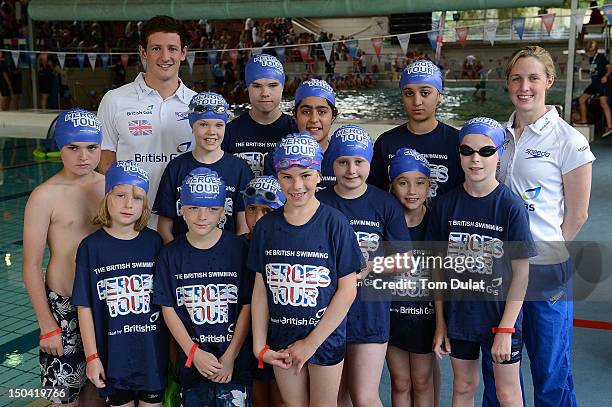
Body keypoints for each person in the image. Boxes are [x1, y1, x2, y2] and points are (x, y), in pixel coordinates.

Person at [495, 45, 595, 407]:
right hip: (500, 267)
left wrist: (544, 252)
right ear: (507, 83)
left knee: (550, 368)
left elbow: (578, 215)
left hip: (545, 269)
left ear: (549, 82)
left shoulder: (568, 140)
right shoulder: (497, 138)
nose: (525, 86)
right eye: (517, 78)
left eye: (534, 78)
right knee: (500, 364)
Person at [248, 132, 362, 407]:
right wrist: (259, 345)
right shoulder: (266, 228)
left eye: (305, 175)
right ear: (277, 177)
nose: (296, 184)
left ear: (319, 175)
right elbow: (261, 290)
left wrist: (311, 343)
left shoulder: (335, 223)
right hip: (282, 341)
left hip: (324, 340)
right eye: (287, 176)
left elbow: (347, 290)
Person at [430, 117, 535, 406]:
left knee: (507, 392)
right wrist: (441, 324)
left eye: (486, 151)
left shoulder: (510, 207)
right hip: (461, 317)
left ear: (499, 154)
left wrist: (506, 329)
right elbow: (437, 270)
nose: (475, 159)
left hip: (500, 318)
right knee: (463, 386)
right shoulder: (446, 205)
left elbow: (522, 276)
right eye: (467, 151)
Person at [317, 125, 411, 407]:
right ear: (332, 163)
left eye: (359, 162)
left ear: (369, 163)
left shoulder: (385, 204)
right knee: (337, 396)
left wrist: (368, 270)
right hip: (327, 311)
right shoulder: (319, 202)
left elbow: (405, 260)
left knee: (364, 395)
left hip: (370, 310)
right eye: (343, 162)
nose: (351, 170)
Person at [22, 108, 106, 407]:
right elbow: (30, 265)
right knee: (64, 399)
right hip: (63, 306)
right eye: (73, 148)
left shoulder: (110, 189)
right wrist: (47, 325)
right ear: (60, 148)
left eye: (91, 148)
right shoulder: (44, 195)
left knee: (99, 392)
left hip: (102, 306)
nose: (83, 156)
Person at [152, 168, 254, 406]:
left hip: (234, 364)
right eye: (193, 208)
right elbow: (167, 308)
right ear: (181, 210)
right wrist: (192, 351)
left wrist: (230, 356)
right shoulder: (170, 254)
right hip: (192, 364)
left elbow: (248, 306)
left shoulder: (239, 250)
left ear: (223, 211)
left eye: (211, 209)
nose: (202, 216)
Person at [72, 161, 167, 407]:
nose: (128, 204)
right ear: (107, 197)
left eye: (137, 198)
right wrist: (92, 357)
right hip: (113, 357)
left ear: (145, 204)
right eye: (121, 195)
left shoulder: (154, 243)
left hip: (152, 357)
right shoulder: (91, 248)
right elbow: (84, 307)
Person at [98, 15, 197, 229]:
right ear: (143, 52)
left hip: (185, 223)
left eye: (172, 49)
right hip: (130, 222)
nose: (165, 57)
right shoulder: (114, 100)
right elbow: (106, 162)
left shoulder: (196, 105)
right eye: (156, 49)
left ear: (183, 53)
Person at [154, 91, 252, 242]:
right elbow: (164, 227)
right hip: (183, 259)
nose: (211, 132)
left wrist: (233, 255)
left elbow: (243, 226)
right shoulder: (176, 168)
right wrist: (176, 256)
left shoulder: (240, 169)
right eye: (203, 124)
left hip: (226, 261)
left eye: (219, 125)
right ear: (192, 126)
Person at [369, 59, 463, 197]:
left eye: (425, 93)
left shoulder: (457, 142)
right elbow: (375, 195)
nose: (417, 102)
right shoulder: (386, 143)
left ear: (439, 96)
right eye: (409, 93)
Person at [387, 148, 437, 407]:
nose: (412, 191)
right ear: (392, 186)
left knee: (421, 381)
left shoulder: (435, 223)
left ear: (429, 185)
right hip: (393, 316)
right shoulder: (386, 222)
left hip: (424, 319)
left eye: (419, 183)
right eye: (403, 183)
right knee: (400, 382)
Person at [241, 176, 286, 407]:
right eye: (251, 209)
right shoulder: (234, 247)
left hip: (282, 340)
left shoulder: (291, 248)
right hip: (247, 343)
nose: (257, 219)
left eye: (267, 211)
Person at [222, 53, 295, 176]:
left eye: (272, 85)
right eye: (257, 86)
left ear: (282, 87)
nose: (265, 93)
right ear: (248, 87)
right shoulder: (229, 133)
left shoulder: (295, 131)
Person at [576, 40, 612, 132]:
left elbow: (609, 67)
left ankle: (609, 126)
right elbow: (596, 70)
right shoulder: (591, 59)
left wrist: (606, 76)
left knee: (603, 103)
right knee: (582, 99)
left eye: (592, 51)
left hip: (601, 83)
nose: (590, 53)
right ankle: (584, 119)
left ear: (595, 51)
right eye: (588, 51)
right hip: (595, 84)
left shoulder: (600, 57)